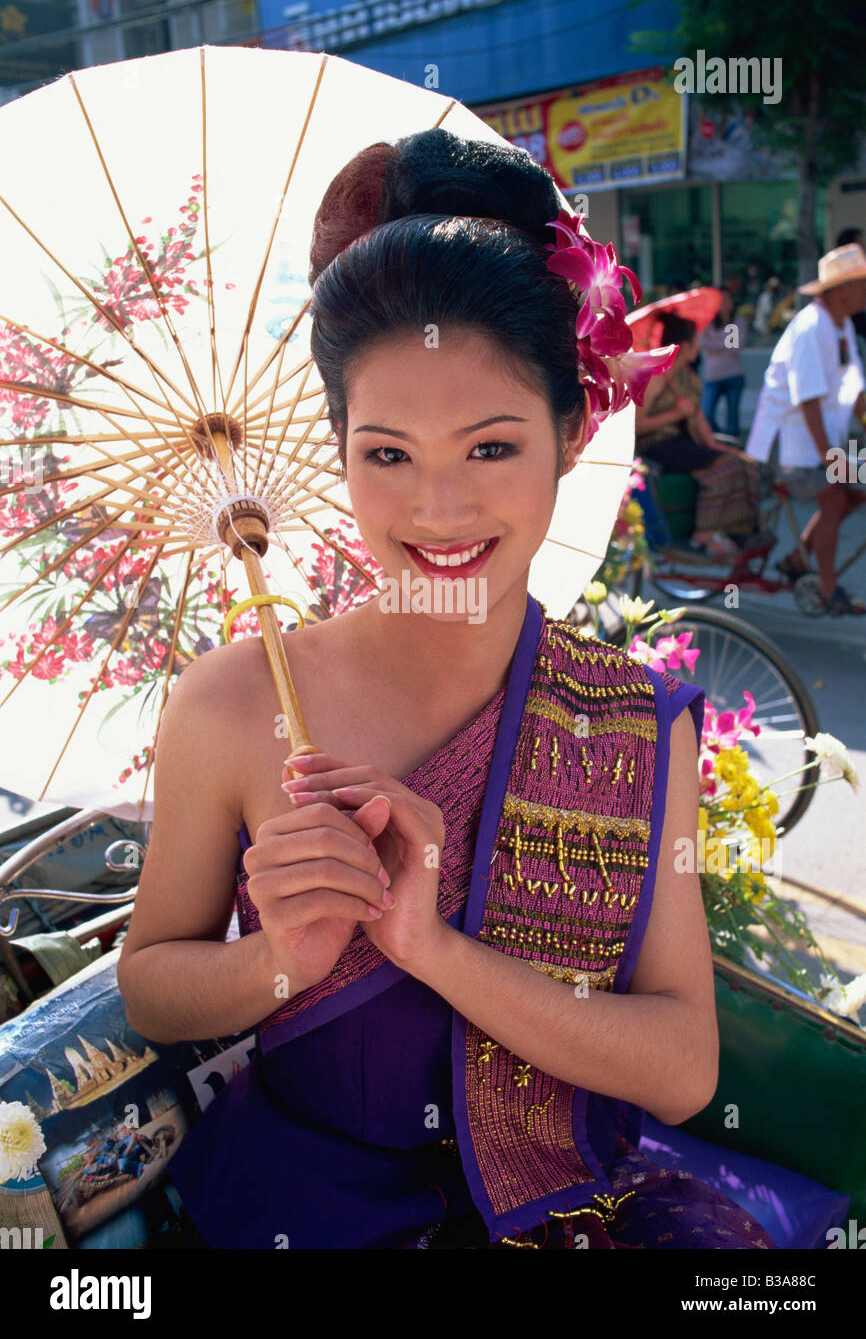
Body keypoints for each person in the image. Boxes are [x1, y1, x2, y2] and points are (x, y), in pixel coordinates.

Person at [117, 129, 775, 1251]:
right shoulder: (233, 702)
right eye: (387, 454)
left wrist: (434, 949)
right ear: (337, 446)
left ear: (571, 432)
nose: (438, 509)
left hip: (572, 1203)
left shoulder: (628, 718)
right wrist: (282, 958)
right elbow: (150, 986)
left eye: (489, 449)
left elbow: (680, 1068)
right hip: (304, 1206)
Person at [745, 243, 866, 614]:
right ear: (842, 289)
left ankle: (797, 560)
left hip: (816, 441)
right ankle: (827, 590)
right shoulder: (812, 327)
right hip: (788, 445)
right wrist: (831, 459)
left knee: (855, 494)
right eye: (861, 284)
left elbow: (856, 391)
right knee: (835, 496)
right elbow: (808, 399)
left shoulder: (842, 326)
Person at [636, 312, 764, 557]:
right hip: (656, 445)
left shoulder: (688, 378)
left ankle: (737, 531)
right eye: (697, 340)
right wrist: (674, 414)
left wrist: (715, 446)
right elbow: (637, 426)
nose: (700, 346)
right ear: (686, 346)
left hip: (681, 443)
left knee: (743, 464)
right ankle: (704, 533)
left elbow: (699, 418)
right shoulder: (656, 377)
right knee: (727, 467)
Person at [699, 287, 749, 438]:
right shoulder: (708, 320)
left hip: (734, 375)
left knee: (732, 419)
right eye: (721, 300)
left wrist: (714, 344)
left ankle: (731, 445)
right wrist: (724, 344)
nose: (724, 304)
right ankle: (719, 441)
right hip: (712, 376)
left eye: (727, 299)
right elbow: (701, 343)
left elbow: (736, 346)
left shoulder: (738, 320)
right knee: (706, 414)